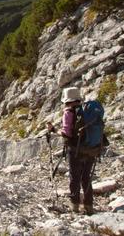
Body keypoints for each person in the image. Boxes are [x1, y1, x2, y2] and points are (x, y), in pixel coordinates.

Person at [46, 87, 94, 215]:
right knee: (86, 177)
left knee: (75, 177)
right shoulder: (87, 110)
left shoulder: (69, 112)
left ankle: (75, 205)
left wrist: (53, 130)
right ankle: (89, 205)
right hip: (91, 148)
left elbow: (66, 134)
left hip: (75, 149)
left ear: (68, 101)